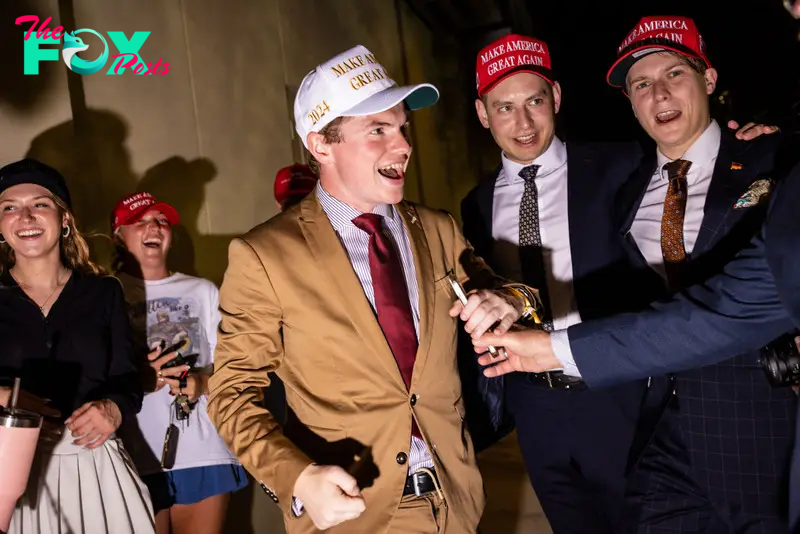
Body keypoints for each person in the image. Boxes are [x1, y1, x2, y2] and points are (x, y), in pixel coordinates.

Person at [473, 16, 797, 533]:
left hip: (715, 408)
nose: (523, 122)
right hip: (594, 410)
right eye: (642, 84)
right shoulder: (483, 202)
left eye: (533, 100)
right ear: (483, 115)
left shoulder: (636, 166)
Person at [207, 44, 536, 534]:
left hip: (456, 501)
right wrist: (297, 479)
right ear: (321, 145)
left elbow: (505, 290)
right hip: (355, 511)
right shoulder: (265, 256)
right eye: (377, 130)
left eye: (402, 127)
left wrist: (508, 301)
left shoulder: (438, 228)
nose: (402, 145)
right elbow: (232, 395)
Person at [0, 158, 154, 534]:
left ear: (64, 218)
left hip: (95, 464)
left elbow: (127, 377)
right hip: (13, 468)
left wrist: (114, 410)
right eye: (9, 208)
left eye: (40, 204)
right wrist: (3, 396)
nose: (25, 216)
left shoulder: (103, 292)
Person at [111, 191, 247, 534]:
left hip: (200, 451)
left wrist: (200, 383)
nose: (153, 227)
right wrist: (136, 378)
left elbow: (234, 372)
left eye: (160, 220)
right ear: (118, 234)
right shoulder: (104, 294)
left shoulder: (202, 291)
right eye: (139, 221)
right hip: (131, 453)